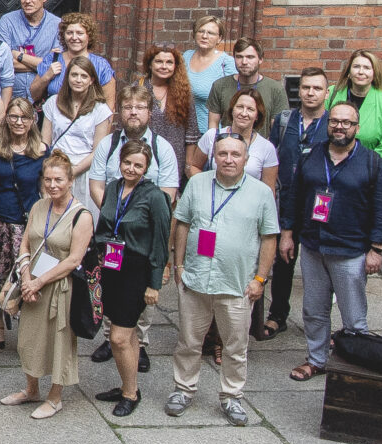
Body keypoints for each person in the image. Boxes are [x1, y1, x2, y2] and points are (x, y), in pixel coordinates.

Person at [166, 132, 281, 423]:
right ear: (214, 157)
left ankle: (231, 397)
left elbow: (269, 238)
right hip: (195, 279)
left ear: (246, 159)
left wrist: (260, 279)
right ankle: (183, 389)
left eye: (235, 154)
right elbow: (182, 224)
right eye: (223, 154)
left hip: (237, 283)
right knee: (188, 341)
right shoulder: (197, 184)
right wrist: (178, 266)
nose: (229, 159)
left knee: (235, 346)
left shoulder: (261, 193)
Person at [283, 96, 382, 380]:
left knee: (354, 316)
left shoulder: (374, 163)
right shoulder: (311, 156)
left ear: (357, 127)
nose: (340, 127)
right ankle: (317, 359)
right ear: (328, 124)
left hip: (351, 251)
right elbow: (294, 197)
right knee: (314, 310)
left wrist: (376, 248)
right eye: (334, 121)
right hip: (313, 247)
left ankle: (354, 369)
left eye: (347, 122)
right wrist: (287, 233)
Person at [2, 153, 94, 420]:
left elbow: (74, 260)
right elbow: (25, 243)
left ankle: (55, 397)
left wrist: (39, 282)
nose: (53, 185)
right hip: (32, 280)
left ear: (70, 181)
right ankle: (31, 389)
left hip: (59, 286)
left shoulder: (82, 216)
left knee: (59, 341)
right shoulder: (39, 206)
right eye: (48, 179)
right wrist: (26, 277)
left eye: (59, 180)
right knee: (28, 338)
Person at [92, 141, 173, 416]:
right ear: (120, 161)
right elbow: (104, 225)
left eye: (138, 165)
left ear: (146, 168)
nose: (131, 169)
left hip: (136, 271)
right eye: (127, 162)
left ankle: (130, 394)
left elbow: (161, 241)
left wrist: (154, 283)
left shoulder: (155, 197)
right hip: (111, 266)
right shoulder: (113, 188)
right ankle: (129, 385)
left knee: (118, 337)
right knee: (127, 335)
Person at [265, 66, 330, 340]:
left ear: (327, 93)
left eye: (317, 88)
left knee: (321, 264)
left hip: (319, 204)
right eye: (306, 87)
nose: (311, 93)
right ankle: (277, 315)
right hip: (286, 201)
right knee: (283, 259)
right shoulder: (284, 121)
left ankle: (320, 320)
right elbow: (271, 158)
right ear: (299, 90)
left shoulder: (333, 123)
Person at [0, 98, 47, 353]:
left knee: (22, 277)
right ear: (6, 118)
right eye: (14, 117)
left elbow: (44, 190)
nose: (18, 122)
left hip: (24, 224)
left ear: (32, 120)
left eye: (24, 117)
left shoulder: (41, 150)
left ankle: (27, 329)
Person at [40, 59, 113, 196]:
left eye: (84, 76)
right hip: (55, 169)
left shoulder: (100, 109)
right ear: (67, 77)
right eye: (74, 75)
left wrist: (72, 172)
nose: (78, 80)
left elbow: (97, 151)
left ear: (91, 80)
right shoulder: (53, 103)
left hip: (84, 170)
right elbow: (45, 143)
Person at [31, 13, 115, 110]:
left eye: (80, 33)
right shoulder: (52, 59)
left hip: (88, 118)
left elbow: (109, 106)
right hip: (54, 117)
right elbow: (34, 96)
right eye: (69, 33)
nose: (74, 37)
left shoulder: (100, 65)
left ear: (89, 36)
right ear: (63, 35)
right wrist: (47, 76)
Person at [0, 0, 61, 98]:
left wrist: (18, 55)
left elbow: (55, 65)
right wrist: (42, 65)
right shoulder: (7, 21)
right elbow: (3, 62)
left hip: (43, 96)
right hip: (11, 96)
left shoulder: (58, 25)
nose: (27, 1)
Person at [207, 36, 287, 134]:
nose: (244, 62)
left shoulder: (275, 89)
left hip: (260, 143)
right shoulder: (220, 86)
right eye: (239, 57)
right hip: (228, 142)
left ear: (260, 59)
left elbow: (277, 130)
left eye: (250, 57)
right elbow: (213, 125)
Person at [334, 48, 382, 162]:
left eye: (367, 68)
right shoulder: (332, 94)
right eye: (356, 67)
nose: (361, 72)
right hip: (331, 162)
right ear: (349, 72)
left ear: (374, 73)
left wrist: (360, 166)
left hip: (369, 166)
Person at [181, 17, 235, 146]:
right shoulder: (186, 56)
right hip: (183, 131)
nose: (204, 36)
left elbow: (231, 103)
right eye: (201, 31)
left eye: (210, 33)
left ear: (219, 38)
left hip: (208, 134)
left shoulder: (226, 63)